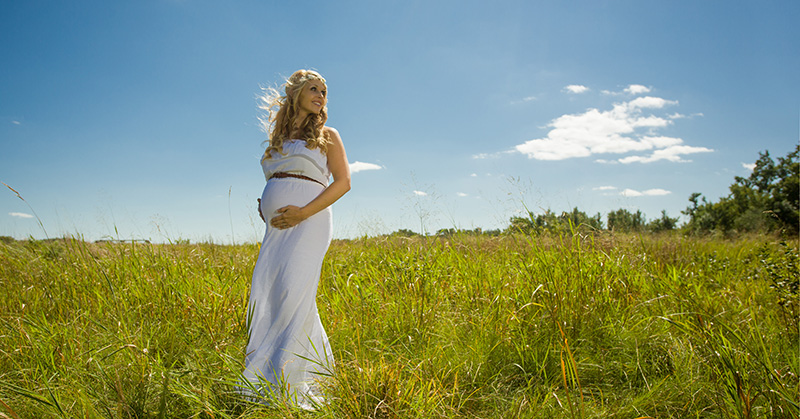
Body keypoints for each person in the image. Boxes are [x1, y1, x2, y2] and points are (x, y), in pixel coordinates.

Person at [241, 69, 351, 409]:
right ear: (296, 94)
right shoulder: (279, 139)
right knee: (271, 293)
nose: (320, 95)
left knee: (293, 290)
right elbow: (279, 175)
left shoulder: (328, 135)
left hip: (310, 221)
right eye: (313, 89)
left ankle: (291, 383)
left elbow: (343, 182)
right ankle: (277, 375)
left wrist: (303, 212)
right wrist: (266, 202)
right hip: (277, 227)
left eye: (324, 91)